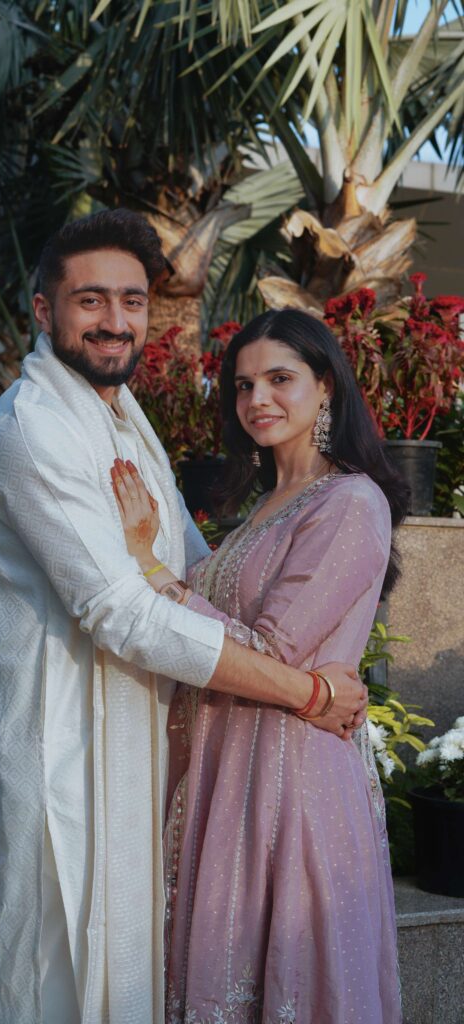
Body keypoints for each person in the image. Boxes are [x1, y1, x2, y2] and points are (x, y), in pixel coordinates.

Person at [0, 210, 367, 1024]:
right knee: (58, 973)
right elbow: (120, 611)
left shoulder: (121, 414)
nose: (115, 321)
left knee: (133, 982)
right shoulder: (33, 428)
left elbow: (190, 573)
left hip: (158, 750)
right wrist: (306, 692)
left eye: (133, 300)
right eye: (90, 300)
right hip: (72, 752)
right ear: (44, 310)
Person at [111, 308, 408, 1024]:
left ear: (326, 386)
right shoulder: (266, 505)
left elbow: (270, 652)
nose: (257, 399)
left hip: (292, 780)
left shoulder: (350, 502)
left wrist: (151, 568)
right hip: (232, 769)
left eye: (280, 379)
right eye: (243, 386)